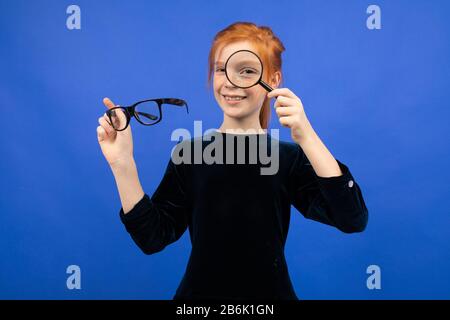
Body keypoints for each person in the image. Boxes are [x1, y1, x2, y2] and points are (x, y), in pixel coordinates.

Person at [96, 22, 368, 300]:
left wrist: (307, 136)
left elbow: (352, 219)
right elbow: (152, 237)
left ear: (273, 80)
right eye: (220, 68)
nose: (230, 81)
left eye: (247, 70)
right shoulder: (188, 154)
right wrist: (122, 164)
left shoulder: (288, 158)